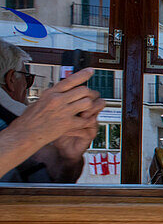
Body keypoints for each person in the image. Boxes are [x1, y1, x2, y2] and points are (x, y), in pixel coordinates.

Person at [0, 41, 102, 182]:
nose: (27, 87)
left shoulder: (14, 124)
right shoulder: (23, 125)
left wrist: (67, 159)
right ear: (11, 79)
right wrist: (30, 131)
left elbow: (39, 186)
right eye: (28, 79)